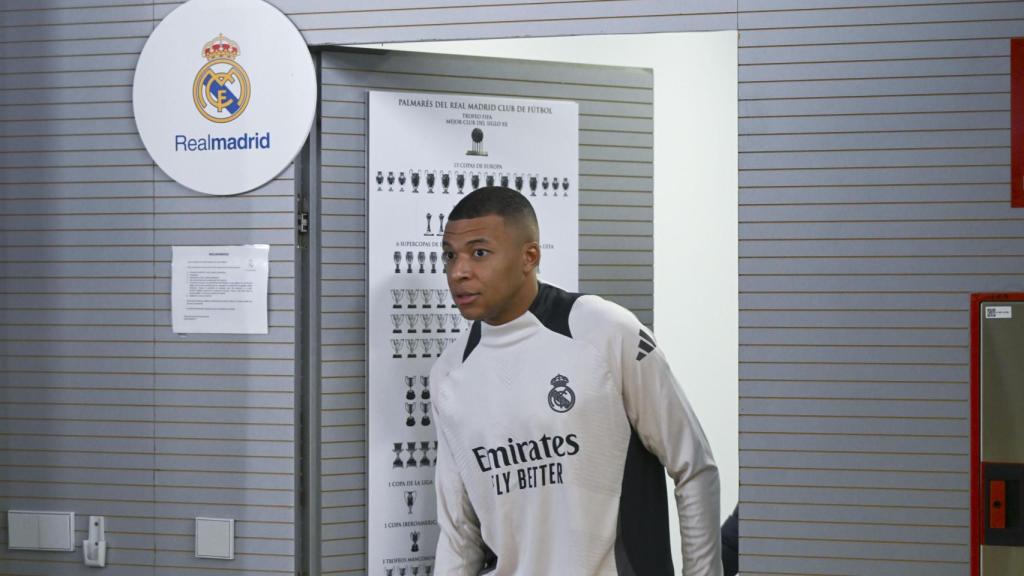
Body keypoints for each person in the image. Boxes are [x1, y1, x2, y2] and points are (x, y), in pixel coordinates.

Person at [430, 186, 722, 575]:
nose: (458, 272)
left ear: (529, 257)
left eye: (479, 253)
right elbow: (458, 534)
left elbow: (694, 466)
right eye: (450, 255)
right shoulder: (449, 374)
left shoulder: (605, 331)